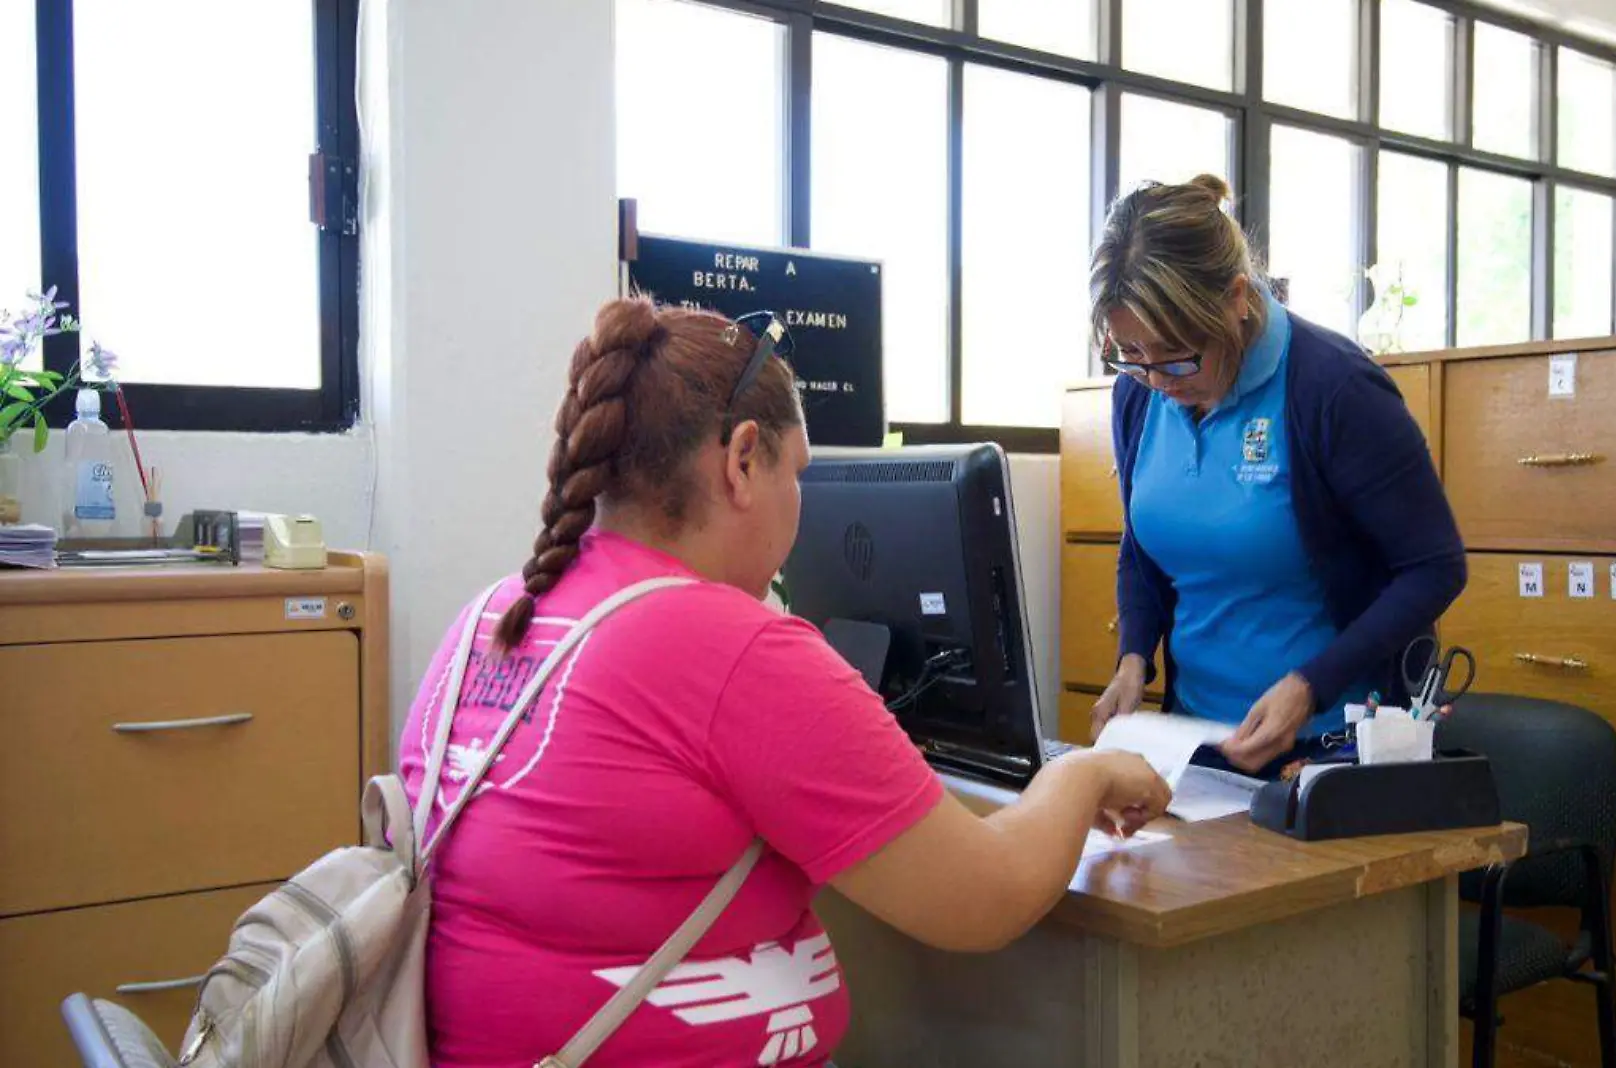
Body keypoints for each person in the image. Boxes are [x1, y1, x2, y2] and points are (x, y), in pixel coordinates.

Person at [398, 296, 1171, 1068]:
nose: (801, 506)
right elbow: (987, 896)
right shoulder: (735, 651)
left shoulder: (487, 621)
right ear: (740, 461)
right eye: (796, 470)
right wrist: (1084, 771)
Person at [1087, 174, 1466, 777]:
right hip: (1196, 743)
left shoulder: (1335, 389)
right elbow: (1142, 548)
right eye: (1131, 354)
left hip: (1326, 746)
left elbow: (1435, 566)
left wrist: (1310, 685)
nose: (1157, 378)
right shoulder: (1139, 395)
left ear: (1237, 298)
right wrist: (1134, 657)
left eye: (1176, 352)